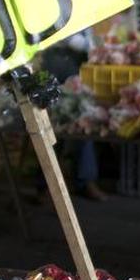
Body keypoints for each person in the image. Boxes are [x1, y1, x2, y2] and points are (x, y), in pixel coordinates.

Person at [39, 28, 107, 201]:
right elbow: (61, 35)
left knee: (81, 122)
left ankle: (85, 181)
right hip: (51, 64)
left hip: (74, 66)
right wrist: (84, 43)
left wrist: (89, 43)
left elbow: (86, 37)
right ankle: (47, 186)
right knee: (50, 126)